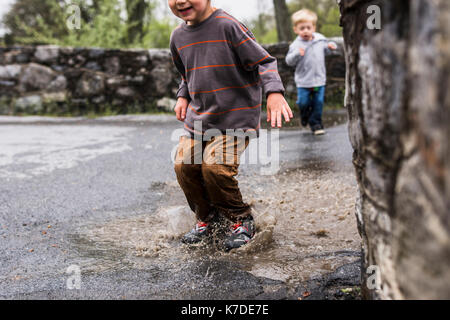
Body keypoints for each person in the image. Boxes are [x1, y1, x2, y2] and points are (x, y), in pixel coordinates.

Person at [168, 0, 293, 251]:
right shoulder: (178, 36)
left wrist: (274, 92)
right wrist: (183, 96)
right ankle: (207, 219)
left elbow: (264, 62)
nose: (181, 0)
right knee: (184, 165)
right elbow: (187, 73)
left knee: (214, 167)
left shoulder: (228, 26)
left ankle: (240, 219)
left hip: (235, 119)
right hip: (199, 119)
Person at [285, 9, 337, 135]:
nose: (305, 31)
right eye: (302, 28)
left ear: (313, 27)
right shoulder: (295, 45)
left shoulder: (320, 40)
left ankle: (316, 124)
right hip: (304, 82)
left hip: (319, 80)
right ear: (296, 30)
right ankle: (304, 115)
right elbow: (288, 61)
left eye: (308, 27)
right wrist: (297, 54)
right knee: (303, 103)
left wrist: (331, 47)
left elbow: (327, 50)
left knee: (318, 103)